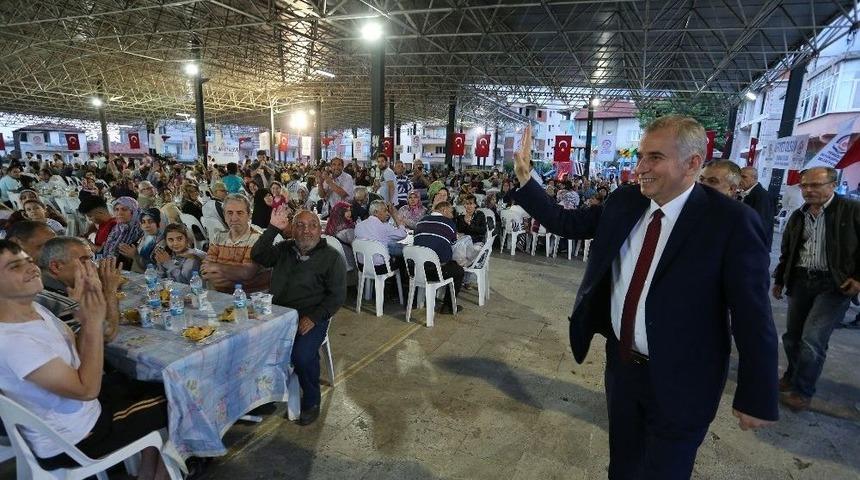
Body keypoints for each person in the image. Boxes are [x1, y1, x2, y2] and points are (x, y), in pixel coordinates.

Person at [510, 118, 778, 478]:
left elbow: (753, 315)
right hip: (623, 370)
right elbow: (567, 223)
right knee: (623, 465)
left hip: (684, 381)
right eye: (640, 156)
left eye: (654, 157)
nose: (640, 168)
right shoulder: (626, 201)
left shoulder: (730, 222)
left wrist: (756, 394)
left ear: (693, 163)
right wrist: (527, 179)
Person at [0, 240, 171, 479]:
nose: (32, 268)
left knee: (147, 382)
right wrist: (92, 323)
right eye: (15, 266)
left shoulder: (33, 310)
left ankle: (147, 470)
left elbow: (78, 358)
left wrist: (84, 318)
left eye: (29, 261)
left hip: (77, 414)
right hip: (77, 437)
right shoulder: (14, 341)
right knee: (183, 399)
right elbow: (87, 389)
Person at [771, 166, 860, 412]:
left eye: (815, 185)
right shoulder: (799, 215)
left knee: (812, 339)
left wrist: (858, 278)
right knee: (792, 337)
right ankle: (791, 374)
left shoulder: (851, 210)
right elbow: (788, 251)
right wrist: (780, 280)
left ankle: (802, 391)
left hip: (834, 285)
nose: (808, 190)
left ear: (833, 185)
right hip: (800, 281)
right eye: (805, 186)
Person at [251, 208, 346, 426]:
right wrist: (273, 228)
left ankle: (312, 400)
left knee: (302, 356)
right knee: (253, 344)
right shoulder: (284, 249)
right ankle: (268, 395)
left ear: (320, 230)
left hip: (312, 316)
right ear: (292, 229)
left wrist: (314, 318)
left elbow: (337, 297)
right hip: (278, 316)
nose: (306, 231)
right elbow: (257, 255)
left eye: (312, 225)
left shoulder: (331, 259)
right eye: (300, 225)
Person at [36, 236, 121, 340]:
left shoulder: (34, 287)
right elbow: (107, 334)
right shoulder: (63, 302)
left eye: (91, 260)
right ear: (56, 267)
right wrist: (110, 290)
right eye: (84, 261)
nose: (94, 267)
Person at [202, 194, 269, 293]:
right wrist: (227, 275)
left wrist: (217, 267)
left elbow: (246, 273)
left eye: (239, 213)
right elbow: (205, 268)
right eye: (229, 213)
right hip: (222, 295)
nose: (234, 218)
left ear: (249, 215)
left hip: (250, 298)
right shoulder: (219, 237)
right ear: (224, 216)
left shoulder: (257, 238)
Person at [412, 201, 464, 314]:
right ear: (444, 210)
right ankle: (448, 306)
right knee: (458, 270)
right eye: (451, 212)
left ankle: (414, 299)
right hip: (434, 271)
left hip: (415, 270)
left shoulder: (421, 220)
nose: (452, 215)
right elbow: (454, 243)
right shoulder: (448, 223)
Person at [354, 200, 408, 270]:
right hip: (379, 267)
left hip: (362, 265)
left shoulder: (359, 225)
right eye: (385, 211)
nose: (388, 214)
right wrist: (395, 216)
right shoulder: (384, 227)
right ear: (376, 212)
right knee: (402, 255)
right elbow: (403, 234)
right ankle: (397, 280)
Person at [101, 197, 144, 269]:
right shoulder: (116, 229)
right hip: (113, 270)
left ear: (134, 211)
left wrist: (135, 256)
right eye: (116, 209)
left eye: (124, 209)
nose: (119, 213)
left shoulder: (141, 230)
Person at [117, 208, 164, 273]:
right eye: (143, 222)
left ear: (158, 223)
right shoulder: (141, 239)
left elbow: (156, 267)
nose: (146, 225)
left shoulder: (164, 242)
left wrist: (135, 255)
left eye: (150, 222)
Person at [739, 166, 775, 248]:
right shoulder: (747, 193)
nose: (740, 179)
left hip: (754, 243)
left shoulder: (761, 195)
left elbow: (760, 222)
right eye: (739, 176)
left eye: (744, 177)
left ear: (754, 178)